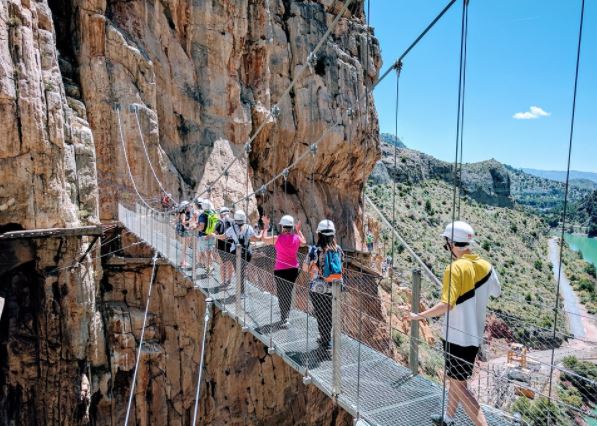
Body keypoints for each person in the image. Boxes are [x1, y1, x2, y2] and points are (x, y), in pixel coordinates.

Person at [404, 221, 500, 426]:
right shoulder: (486, 267)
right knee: (457, 380)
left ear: (451, 243)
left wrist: (419, 316)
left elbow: (446, 304)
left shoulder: (454, 269)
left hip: (455, 337)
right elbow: (496, 292)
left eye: (446, 242)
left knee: (458, 386)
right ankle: (448, 418)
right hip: (474, 338)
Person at [304, 219, 344, 351]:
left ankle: (325, 341)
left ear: (319, 234)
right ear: (333, 235)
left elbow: (305, 268)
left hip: (317, 288)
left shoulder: (314, 250)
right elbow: (341, 268)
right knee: (329, 314)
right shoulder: (338, 250)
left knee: (320, 314)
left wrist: (314, 267)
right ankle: (327, 339)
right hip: (334, 287)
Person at [260, 214, 306, 327]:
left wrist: (266, 226)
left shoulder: (277, 238)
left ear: (282, 226)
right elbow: (304, 242)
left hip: (280, 269)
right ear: (291, 227)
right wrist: (298, 230)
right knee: (288, 292)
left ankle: (284, 317)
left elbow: (263, 239)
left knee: (281, 293)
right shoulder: (296, 238)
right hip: (294, 269)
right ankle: (287, 315)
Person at [221, 210, 259, 296]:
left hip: (235, 253)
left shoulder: (232, 228)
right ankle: (241, 291)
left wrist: (214, 235)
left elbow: (223, 236)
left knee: (239, 272)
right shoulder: (249, 228)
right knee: (241, 272)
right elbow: (255, 238)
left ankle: (241, 292)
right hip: (247, 254)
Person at [194, 199, 218, 273]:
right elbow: (216, 226)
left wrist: (196, 228)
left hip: (204, 237)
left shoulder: (203, 215)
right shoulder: (213, 214)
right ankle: (211, 267)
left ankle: (208, 268)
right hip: (211, 236)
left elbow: (201, 227)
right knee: (209, 253)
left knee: (203, 252)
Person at [214, 206, 234, 288]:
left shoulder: (219, 222)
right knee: (230, 263)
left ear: (221, 215)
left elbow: (215, 233)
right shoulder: (234, 222)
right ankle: (229, 280)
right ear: (228, 213)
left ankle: (223, 282)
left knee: (222, 265)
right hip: (232, 246)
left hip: (221, 247)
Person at [175, 201, 192, 268]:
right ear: (185, 207)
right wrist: (190, 221)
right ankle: (183, 262)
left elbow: (176, 220)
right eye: (188, 206)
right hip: (184, 231)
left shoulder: (183, 212)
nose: (189, 207)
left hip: (183, 230)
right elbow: (183, 222)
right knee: (185, 247)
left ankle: (183, 261)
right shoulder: (183, 213)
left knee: (185, 247)